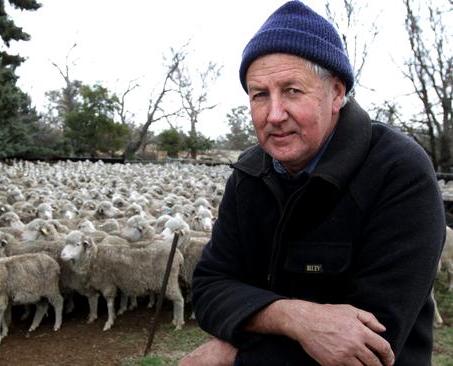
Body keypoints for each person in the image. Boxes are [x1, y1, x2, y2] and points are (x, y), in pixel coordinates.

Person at [180, 1, 445, 366]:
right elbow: (210, 288)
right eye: (260, 94)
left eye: (292, 91)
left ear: (336, 93)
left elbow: (369, 346)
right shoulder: (250, 174)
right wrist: (295, 317)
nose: (274, 114)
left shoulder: (398, 172)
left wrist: (234, 356)